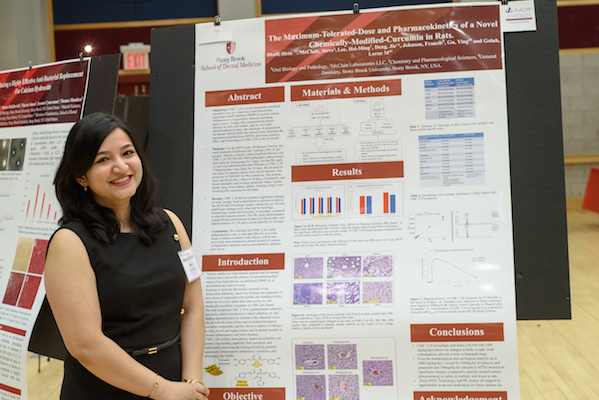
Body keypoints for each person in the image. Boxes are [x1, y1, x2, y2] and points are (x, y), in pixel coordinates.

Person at [44, 113, 210, 400]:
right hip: (106, 387)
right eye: (103, 160)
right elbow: (86, 345)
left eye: (127, 153)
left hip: (174, 383)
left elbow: (193, 307)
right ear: (81, 176)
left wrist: (191, 381)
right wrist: (163, 389)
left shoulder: (171, 224)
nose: (121, 167)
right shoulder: (70, 242)